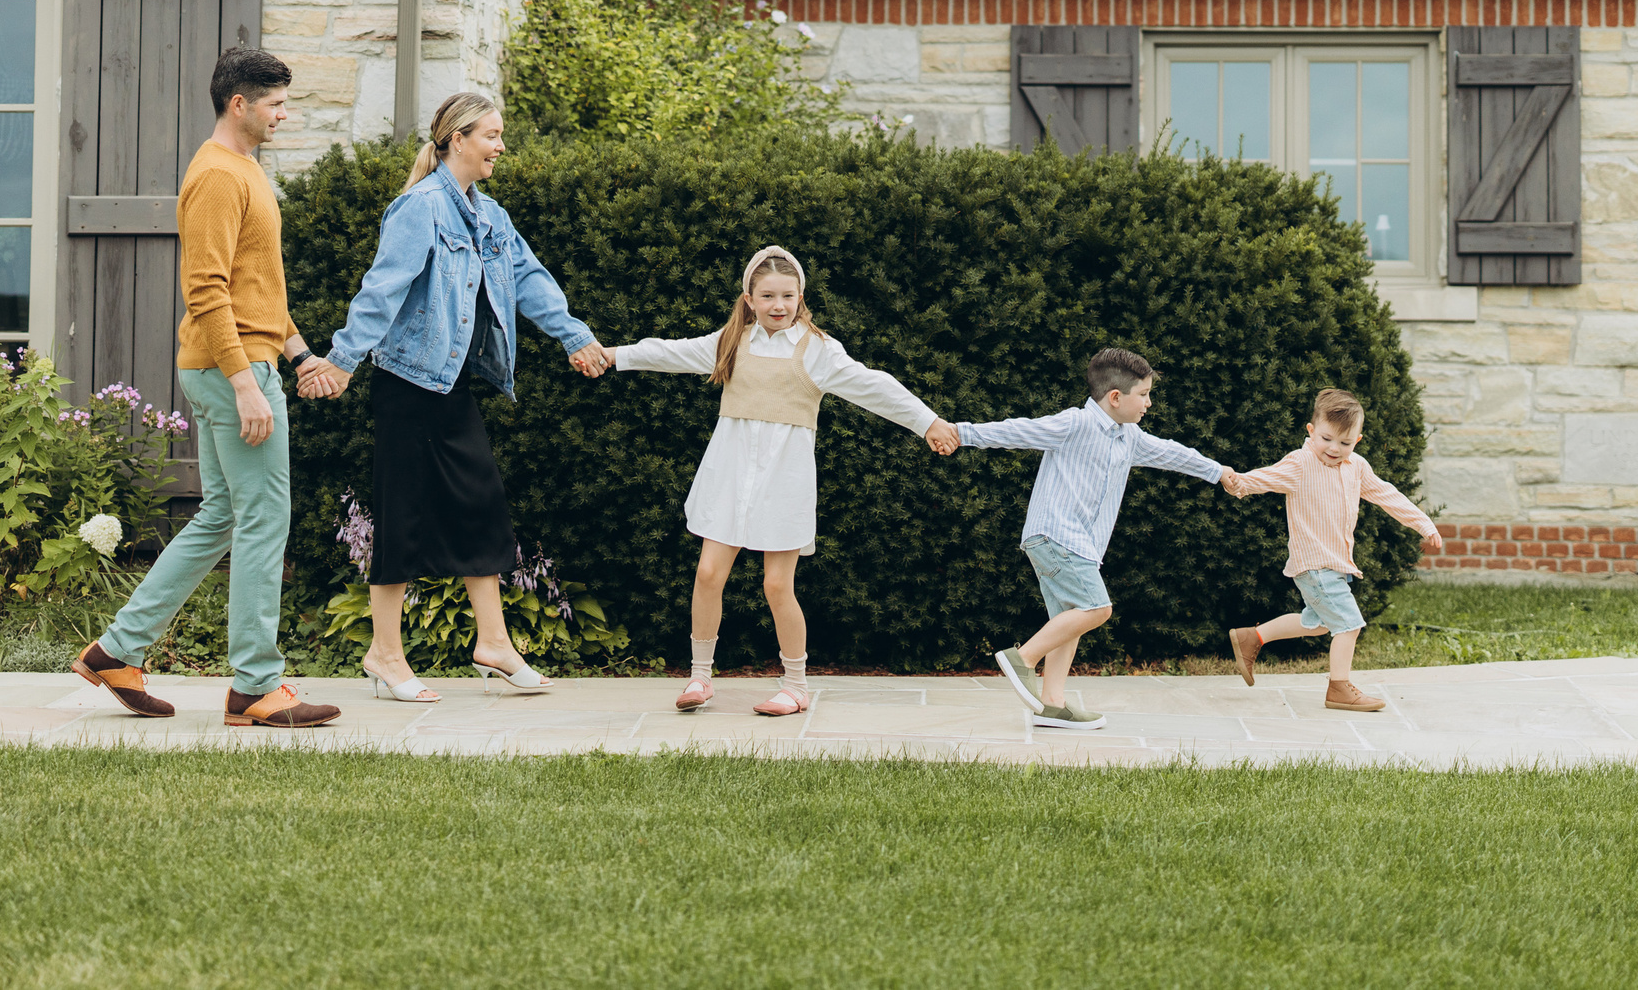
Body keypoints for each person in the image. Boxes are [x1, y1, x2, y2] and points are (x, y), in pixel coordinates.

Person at [298, 91, 608, 702]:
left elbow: (528, 277)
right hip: (407, 384)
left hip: (450, 383)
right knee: (402, 515)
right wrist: (341, 361)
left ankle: (492, 643)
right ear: (457, 140)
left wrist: (575, 336)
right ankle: (385, 655)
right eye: (491, 135)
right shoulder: (420, 208)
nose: (500, 146)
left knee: (480, 503)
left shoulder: (488, 215)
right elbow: (381, 289)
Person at [72, 48, 339, 729]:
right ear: (238, 104)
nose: (285, 114)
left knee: (221, 515)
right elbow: (206, 289)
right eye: (276, 104)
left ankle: (116, 650)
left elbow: (257, 288)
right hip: (232, 370)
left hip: (239, 361)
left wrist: (299, 354)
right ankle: (256, 685)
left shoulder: (244, 168)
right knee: (264, 519)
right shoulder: (218, 176)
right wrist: (247, 385)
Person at [598, 246, 958, 716]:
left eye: (787, 295)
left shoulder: (818, 350)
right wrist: (612, 355)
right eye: (767, 296)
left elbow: (874, 385)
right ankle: (700, 677)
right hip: (729, 476)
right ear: (749, 299)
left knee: (776, 585)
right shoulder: (731, 342)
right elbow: (670, 351)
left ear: (800, 297)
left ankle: (795, 685)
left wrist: (927, 421)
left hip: (785, 482)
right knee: (708, 574)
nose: (778, 305)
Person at [946, 347, 1244, 731]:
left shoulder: (1129, 436)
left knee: (1069, 619)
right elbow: (1017, 430)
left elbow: (1172, 454)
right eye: (1144, 395)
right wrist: (960, 433)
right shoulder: (1075, 424)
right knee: (1096, 608)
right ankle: (1022, 659)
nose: (1149, 403)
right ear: (1115, 397)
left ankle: (1053, 704)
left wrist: (1217, 471)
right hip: (1056, 535)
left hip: (1078, 545)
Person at [1226, 387, 1442, 712]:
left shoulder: (1357, 467)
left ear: (1357, 440)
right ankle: (1339, 688)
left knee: (1319, 624)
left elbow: (1387, 495)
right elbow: (1266, 478)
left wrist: (1423, 523)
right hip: (1314, 564)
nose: (1334, 448)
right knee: (1349, 624)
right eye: (1327, 439)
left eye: (1345, 443)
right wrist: (1238, 482)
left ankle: (1251, 638)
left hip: (1335, 565)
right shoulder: (1301, 463)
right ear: (1311, 431)